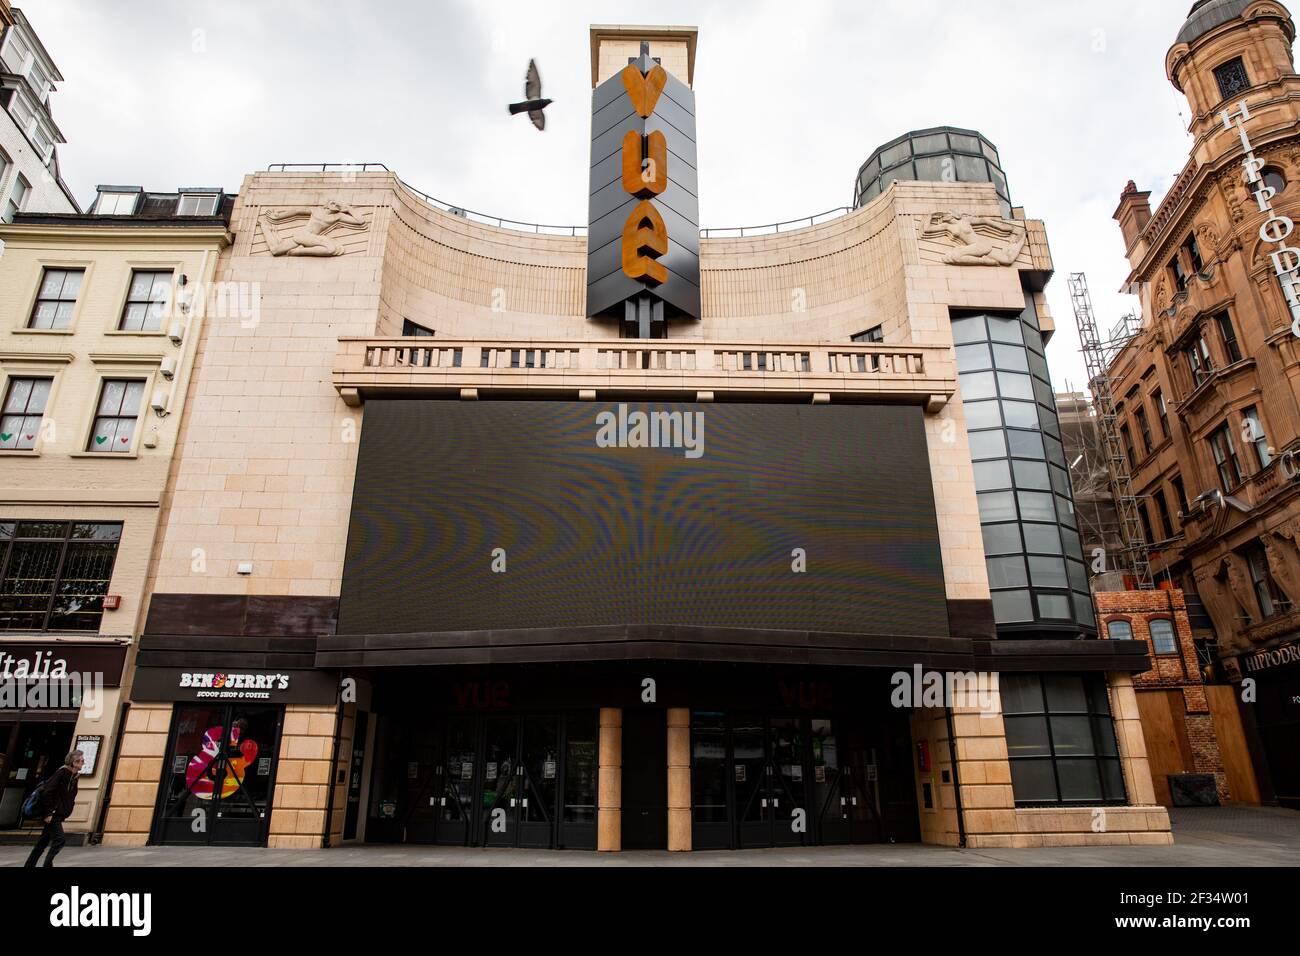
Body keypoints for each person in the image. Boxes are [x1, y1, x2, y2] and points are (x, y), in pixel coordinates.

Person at [24, 750, 83, 867]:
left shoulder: (74, 777)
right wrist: (48, 813)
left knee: (42, 842)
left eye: (83, 760)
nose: (83, 763)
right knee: (59, 840)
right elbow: (48, 792)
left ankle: (29, 865)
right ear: (73, 762)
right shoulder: (62, 773)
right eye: (81, 760)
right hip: (53, 815)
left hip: (59, 814)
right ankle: (47, 865)